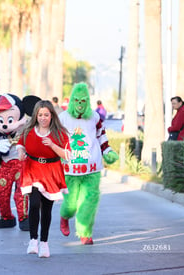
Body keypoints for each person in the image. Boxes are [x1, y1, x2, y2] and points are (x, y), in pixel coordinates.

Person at [58, 83, 118, 245]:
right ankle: (65, 216)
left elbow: (102, 136)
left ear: (87, 102)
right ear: (72, 101)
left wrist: (108, 152)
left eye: (83, 101)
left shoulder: (95, 117)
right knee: (71, 204)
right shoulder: (63, 118)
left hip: (92, 169)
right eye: (76, 100)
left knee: (89, 200)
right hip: (70, 170)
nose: (79, 104)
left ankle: (85, 232)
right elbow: (56, 140)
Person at [17, 100, 71, 258]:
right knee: (34, 204)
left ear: (52, 115)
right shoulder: (29, 131)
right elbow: (20, 144)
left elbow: (67, 155)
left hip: (51, 172)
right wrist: (21, 152)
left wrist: (53, 146)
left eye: (46, 115)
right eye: (40, 115)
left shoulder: (59, 133)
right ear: (35, 116)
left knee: (46, 209)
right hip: (33, 170)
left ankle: (44, 243)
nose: (43, 118)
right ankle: (33, 239)